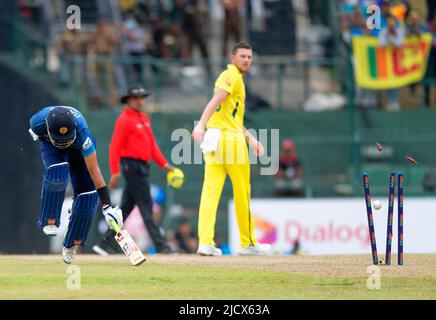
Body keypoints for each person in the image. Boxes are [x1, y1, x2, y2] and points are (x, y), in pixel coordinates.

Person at [192, 42, 271, 256]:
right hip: (229, 141)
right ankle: (248, 243)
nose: (246, 60)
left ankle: (205, 242)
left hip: (215, 138)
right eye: (242, 56)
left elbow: (230, 117)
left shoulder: (232, 78)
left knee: (210, 192)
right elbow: (215, 100)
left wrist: (251, 139)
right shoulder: (232, 76)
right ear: (233, 57)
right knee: (242, 191)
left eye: (249, 57)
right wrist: (200, 124)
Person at [28, 106, 123, 264]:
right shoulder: (38, 123)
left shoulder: (83, 136)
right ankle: (49, 219)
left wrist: (107, 206)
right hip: (52, 147)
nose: (64, 143)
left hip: (78, 150)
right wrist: (51, 140)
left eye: (67, 139)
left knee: (88, 197)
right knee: (57, 172)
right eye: (61, 139)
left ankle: (72, 243)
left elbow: (94, 170)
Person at [93, 84, 178, 255]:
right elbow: (114, 147)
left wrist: (164, 165)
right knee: (146, 206)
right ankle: (161, 245)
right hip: (131, 166)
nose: (139, 101)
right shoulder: (124, 119)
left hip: (141, 167)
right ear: (129, 101)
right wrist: (115, 172)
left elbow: (152, 145)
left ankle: (104, 243)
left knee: (125, 209)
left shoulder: (144, 118)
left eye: (141, 98)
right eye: (135, 98)